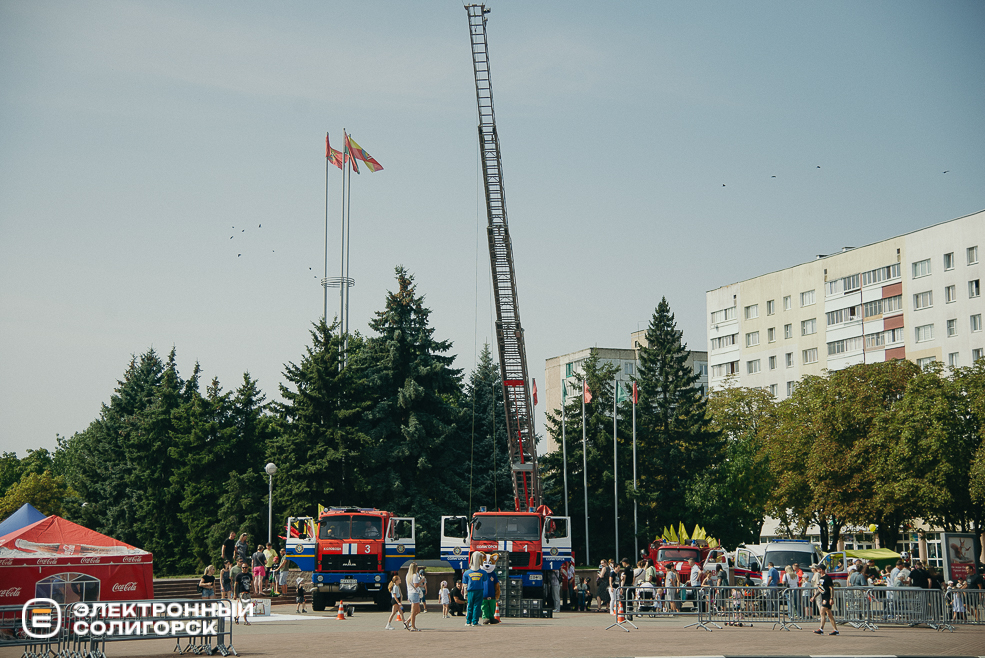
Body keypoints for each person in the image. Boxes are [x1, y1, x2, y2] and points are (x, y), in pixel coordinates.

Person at [813, 564, 838, 635]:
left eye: (818, 569)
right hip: (823, 597)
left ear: (821, 569)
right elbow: (820, 589)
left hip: (827, 598)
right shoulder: (821, 578)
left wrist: (831, 598)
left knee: (822, 612)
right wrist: (814, 596)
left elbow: (831, 588)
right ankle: (835, 630)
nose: (817, 570)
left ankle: (821, 629)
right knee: (829, 614)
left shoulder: (827, 578)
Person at [463, 555, 485, 627]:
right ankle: (475, 621)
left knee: (470, 605)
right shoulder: (483, 572)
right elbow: (485, 579)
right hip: (479, 590)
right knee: (477, 606)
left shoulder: (466, 573)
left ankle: (468, 621)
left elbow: (465, 582)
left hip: (470, 591)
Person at [406, 562, 422, 630]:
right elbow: (416, 585)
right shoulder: (414, 575)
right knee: (413, 611)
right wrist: (421, 581)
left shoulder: (408, 575)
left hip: (410, 593)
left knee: (417, 610)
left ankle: (407, 621)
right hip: (414, 593)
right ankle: (413, 626)